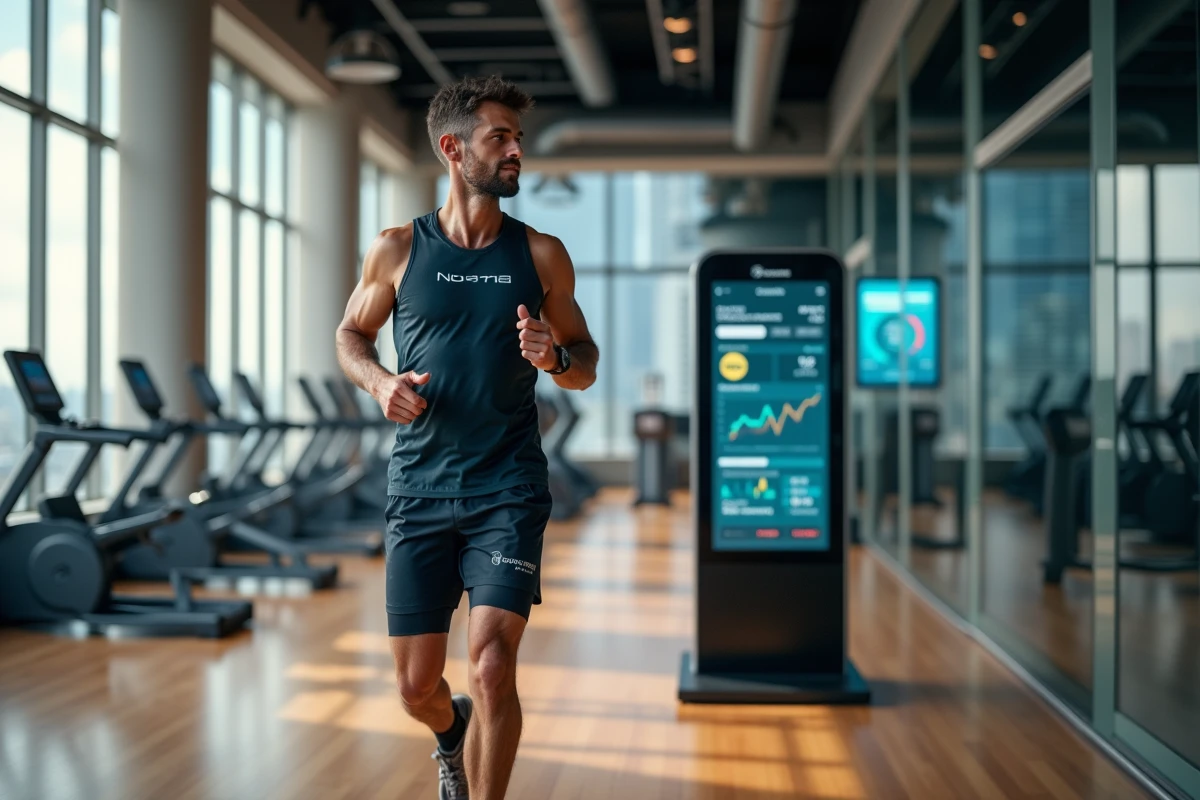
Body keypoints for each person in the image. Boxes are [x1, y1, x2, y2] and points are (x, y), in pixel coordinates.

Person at [335, 75, 598, 800]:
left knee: (491, 665)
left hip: (507, 487)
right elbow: (351, 334)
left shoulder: (541, 254)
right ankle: (451, 734)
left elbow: (585, 364)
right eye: (499, 137)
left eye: (518, 137)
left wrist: (556, 358)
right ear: (453, 149)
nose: (516, 150)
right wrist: (379, 383)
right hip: (419, 488)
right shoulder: (396, 249)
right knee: (415, 687)